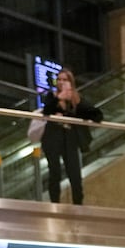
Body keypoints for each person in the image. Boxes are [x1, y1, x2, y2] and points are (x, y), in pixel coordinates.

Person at [41, 68, 103, 206]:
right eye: (60, 79)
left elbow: (97, 115)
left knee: (75, 175)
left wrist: (75, 103)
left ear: (71, 82)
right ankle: (54, 205)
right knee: (54, 174)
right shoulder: (52, 96)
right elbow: (46, 111)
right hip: (53, 139)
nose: (62, 82)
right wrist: (59, 98)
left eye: (65, 80)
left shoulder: (77, 99)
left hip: (70, 140)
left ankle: (78, 206)